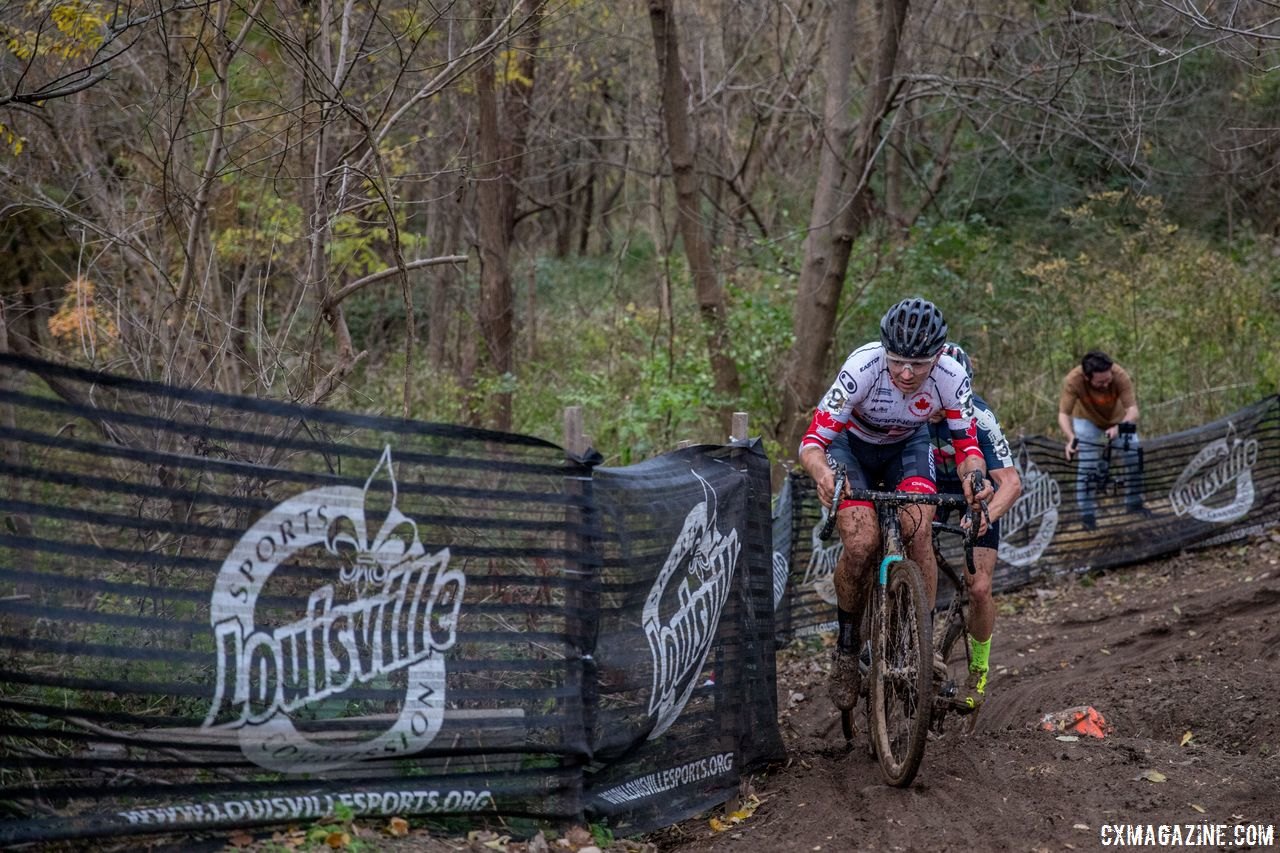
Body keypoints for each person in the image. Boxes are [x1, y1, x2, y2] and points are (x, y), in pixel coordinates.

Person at [798, 297, 992, 713]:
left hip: (907, 446)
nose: (906, 373)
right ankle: (848, 652)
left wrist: (976, 479)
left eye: (918, 365)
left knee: (919, 527)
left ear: (937, 357)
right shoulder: (862, 367)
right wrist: (822, 473)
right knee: (862, 540)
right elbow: (812, 444)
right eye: (897, 362)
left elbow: (967, 449)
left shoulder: (952, 375)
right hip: (851, 446)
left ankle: (918, 637)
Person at [928, 343, 1022, 711]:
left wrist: (987, 514)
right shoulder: (912, 413)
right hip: (931, 488)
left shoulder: (980, 417)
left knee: (979, 587)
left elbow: (1011, 483)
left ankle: (978, 672)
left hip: (975, 491)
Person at [1057, 351, 1150, 530]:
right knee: (1088, 466)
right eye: (1100, 382)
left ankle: (1134, 505)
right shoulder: (1073, 380)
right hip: (1086, 420)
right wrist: (1071, 438)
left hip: (1119, 420)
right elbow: (1063, 414)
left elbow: (1133, 410)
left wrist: (1119, 428)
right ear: (1086, 377)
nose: (1106, 384)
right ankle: (1088, 518)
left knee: (1134, 455)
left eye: (1108, 380)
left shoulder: (1119, 375)